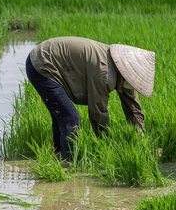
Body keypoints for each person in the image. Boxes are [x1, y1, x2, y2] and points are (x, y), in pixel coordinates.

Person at [25, 36, 155, 161]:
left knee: (61, 116)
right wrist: (106, 147)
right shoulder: (105, 72)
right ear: (126, 70)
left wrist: (141, 140)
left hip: (45, 59)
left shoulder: (122, 69)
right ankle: (68, 163)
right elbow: (97, 112)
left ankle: (58, 154)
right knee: (71, 119)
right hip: (42, 64)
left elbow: (133, 107)